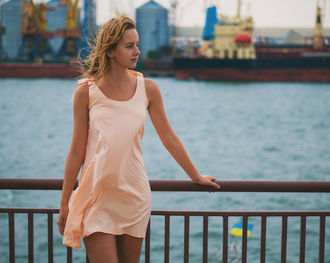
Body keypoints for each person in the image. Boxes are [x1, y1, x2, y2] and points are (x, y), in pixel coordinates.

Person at [56, 16, 221, 263]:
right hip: (95, 197)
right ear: (110, 51)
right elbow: (76, 150)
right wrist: (65, 202)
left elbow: (169, 138)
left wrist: (195, 176)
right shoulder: (86, 92)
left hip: (133, 196)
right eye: (129, 46)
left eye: (137, 44)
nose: (137, 51)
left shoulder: (149, 89)